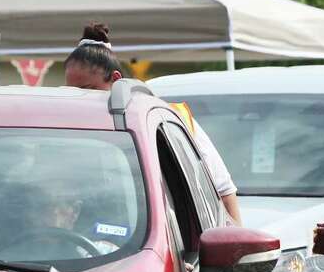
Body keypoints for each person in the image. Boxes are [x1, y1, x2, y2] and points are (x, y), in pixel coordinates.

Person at [63, 22, 242, 223]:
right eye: (73, 92)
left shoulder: (164, 119)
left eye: (89, 89)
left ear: (115, 79)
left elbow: (223, 189)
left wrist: (237, 247)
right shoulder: (66, 130)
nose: (81, 98)